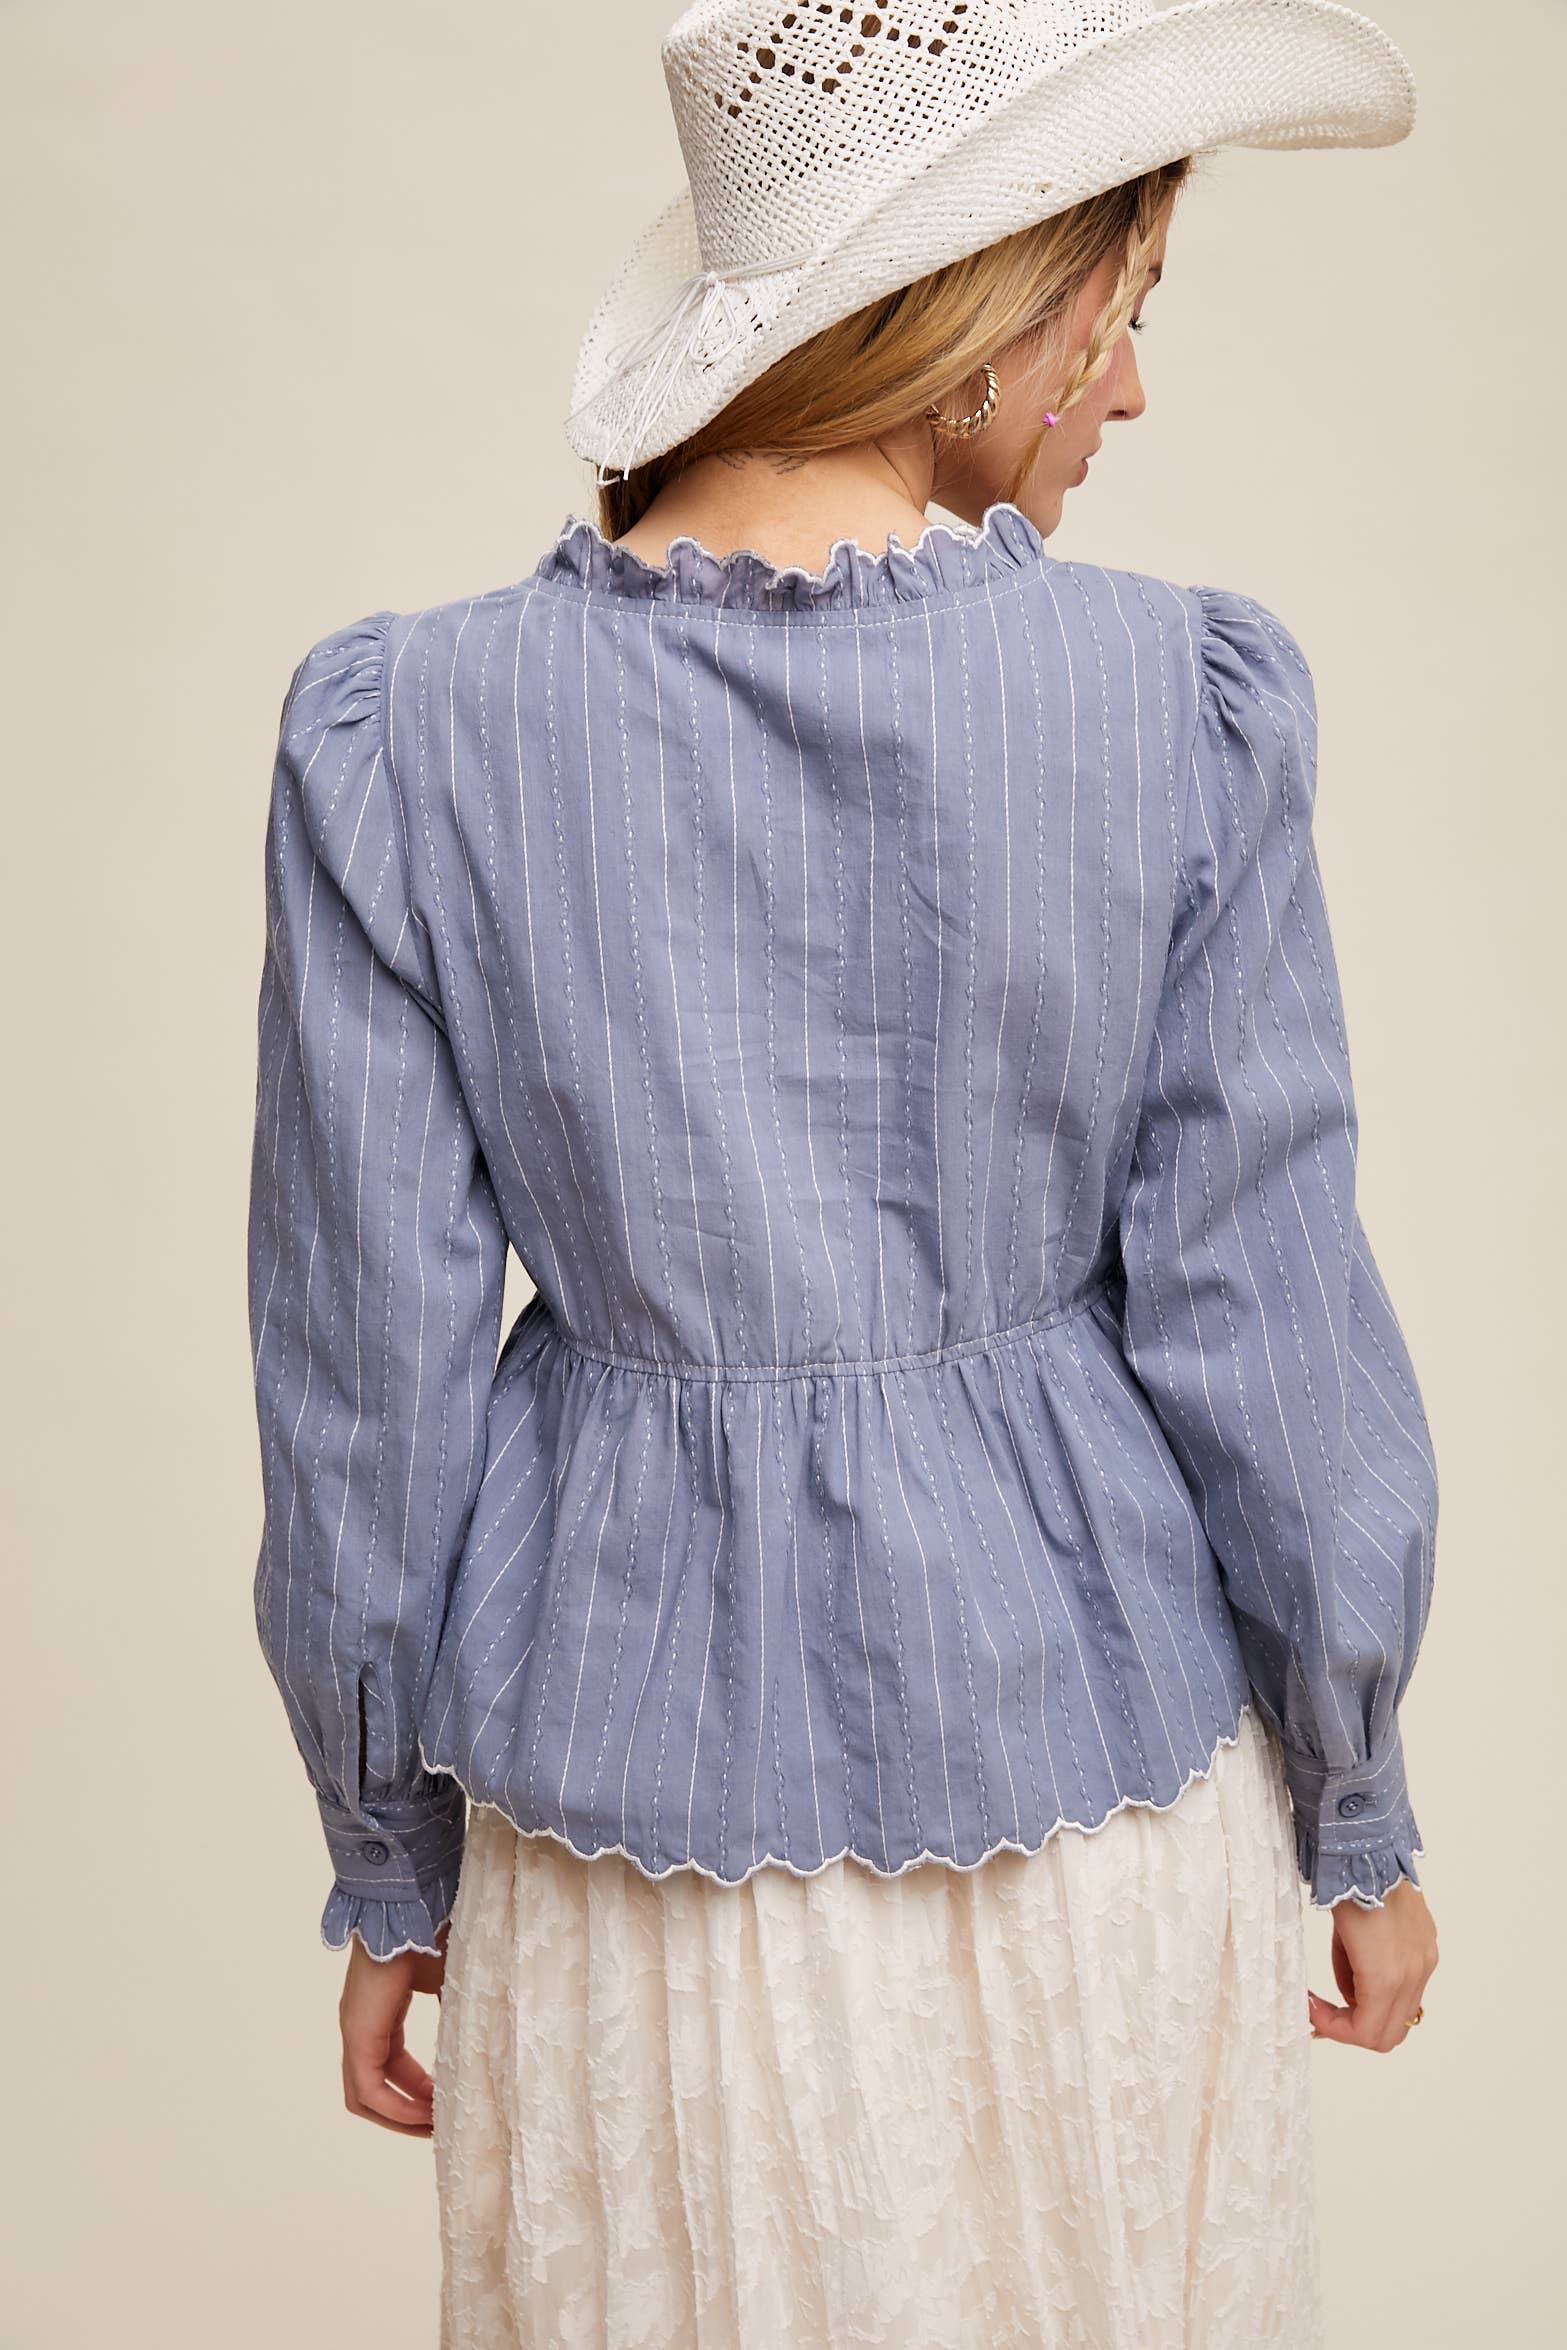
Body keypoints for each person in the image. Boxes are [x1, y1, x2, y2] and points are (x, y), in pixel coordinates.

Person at [246, 2, 1442, 2341]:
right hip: (1095, 1784)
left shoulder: (413, 736)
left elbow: (358, 1381)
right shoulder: (1171, 702)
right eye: (1126, 315)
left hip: (613, 1835)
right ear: (1001, 306)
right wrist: (1360, 1789)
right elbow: (1258, 1308)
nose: (1126, 391)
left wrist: (385, 1856)